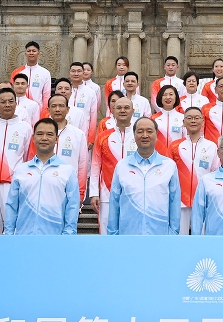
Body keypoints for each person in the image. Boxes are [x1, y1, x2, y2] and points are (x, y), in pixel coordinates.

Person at [3, 118, 80, 235]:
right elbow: (11, 205)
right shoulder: (21, 170)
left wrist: (68, 236)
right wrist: (9, 234)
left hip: (55, 238)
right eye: (40, 134)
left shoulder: (68, 170)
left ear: (56, 139)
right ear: (33, 138)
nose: (44, 138)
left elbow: (72, 206)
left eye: (49, 134)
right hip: (24, 236)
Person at [107, 117, 179, 235]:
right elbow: (114, 203)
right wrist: (113, 234)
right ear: (134, 135)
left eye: (149, 131)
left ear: (156, 134)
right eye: (140, 131)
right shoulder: (122, 166)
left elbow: (174, 202)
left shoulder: (169, 166)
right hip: (128, 235)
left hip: (159, 235)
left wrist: (173, 234)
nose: (145, 135)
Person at [0, 87, 33, 235]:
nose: (7, 105)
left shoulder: (26, 128)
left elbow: (28, 156)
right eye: (3, 102)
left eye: (10, 101)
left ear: (16, 103)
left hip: (13, 183)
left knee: (13, 226)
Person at [89, 95, 137, 235]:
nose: (122, 110)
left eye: (126, 107)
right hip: (107, 193)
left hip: (134, 193)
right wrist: (94, 193)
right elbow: (95, 166)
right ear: (113, 111)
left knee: (131, 231)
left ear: (133, 111)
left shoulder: (139, 136)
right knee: (106, 231)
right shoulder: (103, 137)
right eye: (119, 108)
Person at [172, 106, 219, 233]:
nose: (193, 121)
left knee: (201, 238)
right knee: (179, 238)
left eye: (197, 118)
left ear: (203, 121)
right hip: (180, 201)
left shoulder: (211, 146)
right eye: (189, 118)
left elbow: (215, 173)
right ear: (183, 122)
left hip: (203, 200)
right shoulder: (174, 146)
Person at [45, 94, 88, 202]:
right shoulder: (40, 133)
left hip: (69, 189)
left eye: (61, 106)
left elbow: (82, 165)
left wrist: (80, 193)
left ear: (68, 109)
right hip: (44, 188)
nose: (57, 109)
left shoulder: (78, 134)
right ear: (48, 110)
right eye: (54, 106)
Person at [10, 41, 52, 110]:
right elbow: (11, 92)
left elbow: (46, 95)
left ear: (39, 53)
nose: (31, 53)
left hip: (37, 109)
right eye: (29, 51)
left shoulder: (45, 73)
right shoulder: (16, 72)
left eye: (34, 51)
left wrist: (44, 111)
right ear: (25, 54)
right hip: (18, 108)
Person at [151, 85, 186, 153]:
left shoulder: (183, 118)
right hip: (158, 155)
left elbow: (186, 139)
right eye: (165, 95)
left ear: (176, 97)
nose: (168, 97)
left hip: (177, 154)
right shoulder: (153, 118)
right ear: (160, 98)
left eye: (171, 94)